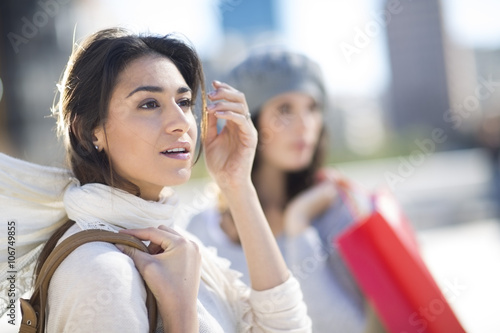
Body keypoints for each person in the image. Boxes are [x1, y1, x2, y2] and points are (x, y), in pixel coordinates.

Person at [0, 28, 312, 332]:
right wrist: (180, 311)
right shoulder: (102, 272)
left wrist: (236, 184)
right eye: (149, 104)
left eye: (184, 102)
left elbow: (285, 327)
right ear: (89, 131)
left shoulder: (169, 243)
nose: (181, 123)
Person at [186, 49, 383, 332]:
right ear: (248, 121)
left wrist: (298, 225)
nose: (305, 125)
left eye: (312, 108)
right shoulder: (201, 231)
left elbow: (348, 327)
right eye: (285, 109)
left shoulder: (343, 209)